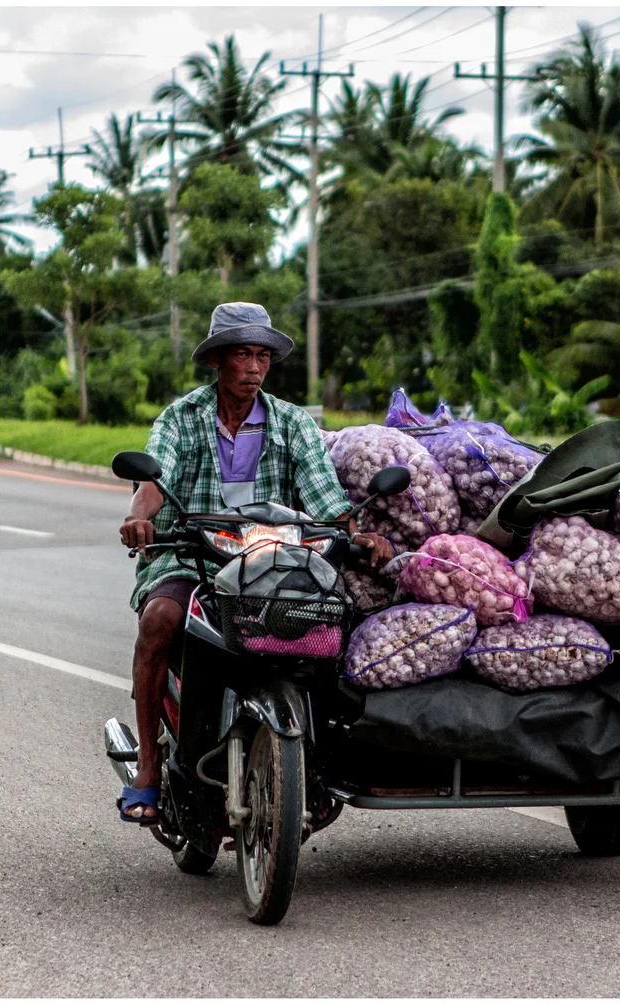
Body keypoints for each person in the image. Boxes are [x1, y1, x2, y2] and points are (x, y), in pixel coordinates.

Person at [116, 302, 393, 824]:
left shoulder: (292, 423)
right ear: (218, 360)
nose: (254, 367)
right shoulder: (181, 418)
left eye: (262, 356)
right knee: (159, 620)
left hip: (277, 560)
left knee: (334, 621)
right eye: (242, 354)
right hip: (192, 554)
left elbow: (325, 497)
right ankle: (150, 768)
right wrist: (139, 518)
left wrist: (360, 535)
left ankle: (317, 762)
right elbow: (155, 481)